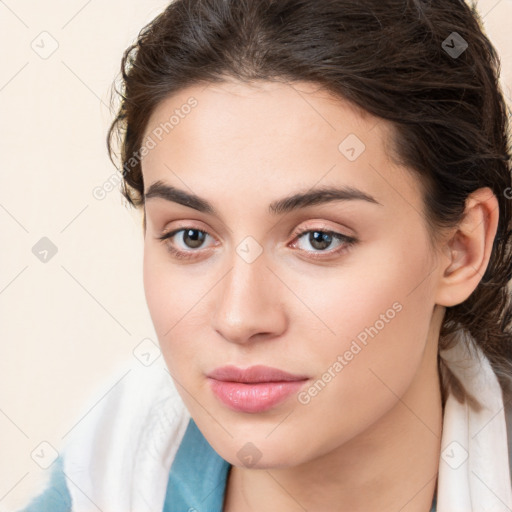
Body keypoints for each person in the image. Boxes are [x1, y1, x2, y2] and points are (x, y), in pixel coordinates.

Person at [20, 0, 512, 511]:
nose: (239, 318)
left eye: (319, 239)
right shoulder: (100, 478)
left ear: (460, 250)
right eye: (191, 236)